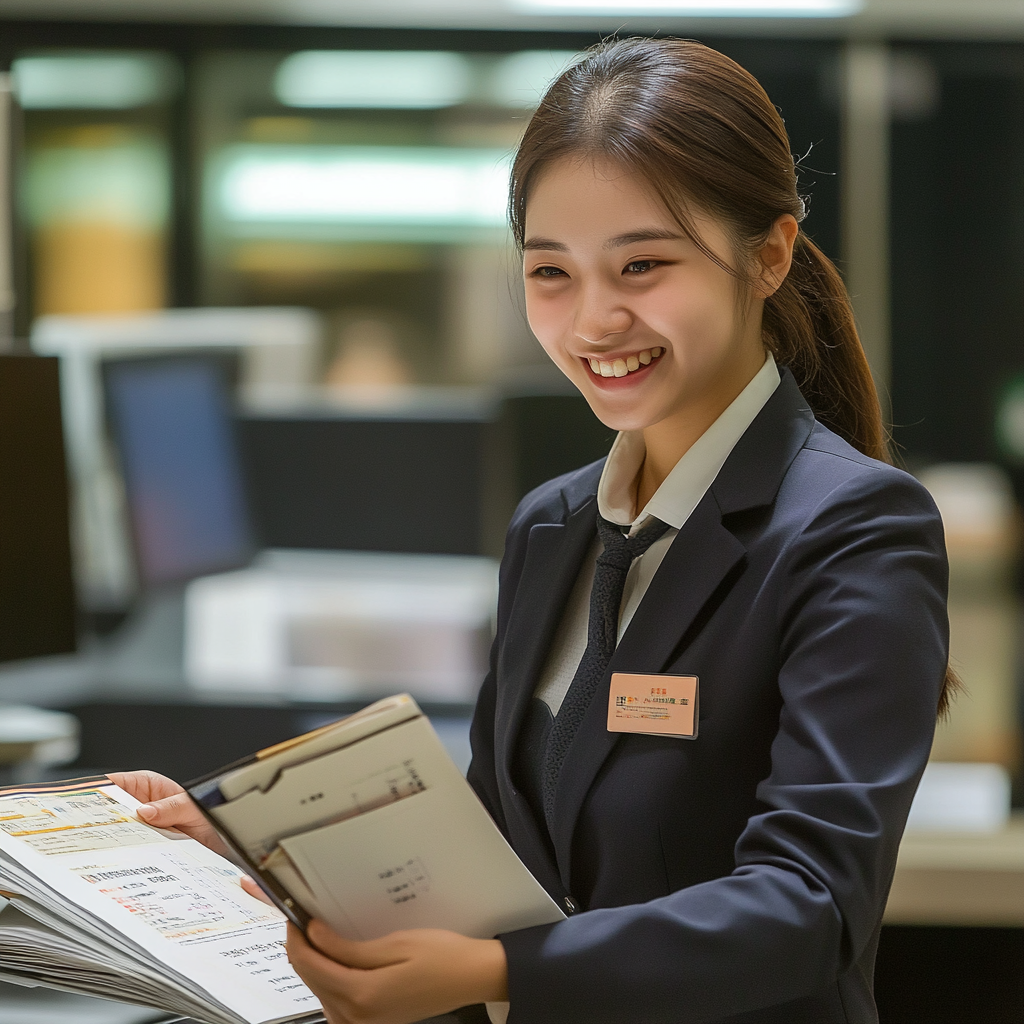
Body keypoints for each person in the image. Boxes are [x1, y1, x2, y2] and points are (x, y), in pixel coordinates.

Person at [112, 37, 952, 1024]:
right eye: (550, 272)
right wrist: (266, 844)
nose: (595, 320)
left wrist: (498, 970)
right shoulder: (552, 525)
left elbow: (810, 905)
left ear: (765, 255)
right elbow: (494, 852)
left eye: (642, 264)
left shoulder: (852, 527)